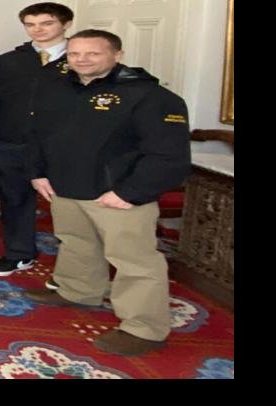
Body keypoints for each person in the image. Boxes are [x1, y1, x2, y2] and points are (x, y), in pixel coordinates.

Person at [23, 29, 191, 357]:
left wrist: (130, 192)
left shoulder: (150, 96)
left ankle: (144, 327)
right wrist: (38, 173)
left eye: (93, 53)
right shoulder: (57, 89)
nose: (81, 60)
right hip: (66, 187)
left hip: (118, 195)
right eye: (74, 54)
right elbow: (37, 135)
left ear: (118, 54)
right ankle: (78, 291)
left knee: (134, 260)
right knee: (76, 242)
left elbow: (168, 155)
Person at [0, 1, 73, 277]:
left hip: (63, 146)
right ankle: (19, 253)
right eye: (31, 24)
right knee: (15, 199)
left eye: (46, 23)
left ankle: (76, 270)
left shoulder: (80, 59)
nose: (38, 30)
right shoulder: (9, 61)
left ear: (65, 24)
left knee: (71, 206)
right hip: (12, 142)